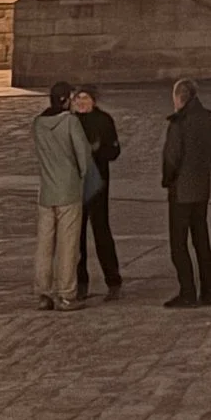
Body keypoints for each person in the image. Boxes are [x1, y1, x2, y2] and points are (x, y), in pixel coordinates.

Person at [160, 76, 211, 307]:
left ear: (179, 98)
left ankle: (187, 291)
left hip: (182, 191)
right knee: (201, 240)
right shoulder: (209, 118)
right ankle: (208, 291)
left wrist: (168, 180)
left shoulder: (179, 123)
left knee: (178, 243)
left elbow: (171, 159)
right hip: (202, 189)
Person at [30, 81, 92, 309]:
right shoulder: (70, 122)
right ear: (66, 99)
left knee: (44, 244)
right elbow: (83, 156)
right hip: (68, 189)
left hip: (46, 190)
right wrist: (81, 177)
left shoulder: (38, 124)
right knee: (68, 245)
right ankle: (66, 293)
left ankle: (43, 292)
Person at [70, 85, 124, 301]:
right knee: (77, 234)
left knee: (101, 231)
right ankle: (80, 280)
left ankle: (113, 279)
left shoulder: (104, 120)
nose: (81, 102)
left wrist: (98, 150)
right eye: (78, 98)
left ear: (94, 101)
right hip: (75, 184)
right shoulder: (70, 121)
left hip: (98, 183)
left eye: (85, 98)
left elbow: (114, 150)